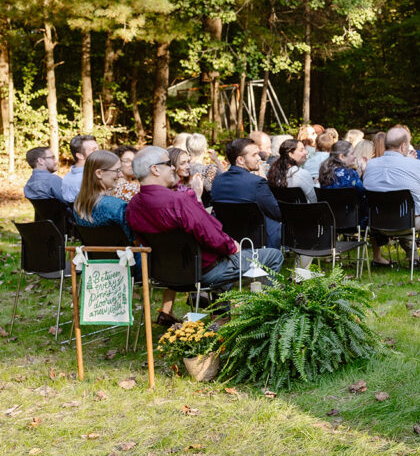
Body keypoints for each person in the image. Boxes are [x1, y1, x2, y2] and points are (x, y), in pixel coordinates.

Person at [127, 146, 284, 323]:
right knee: (273, 255)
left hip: (164, 273)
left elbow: (142, 240)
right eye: (168, 164)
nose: (172, 168)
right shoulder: (178, 201)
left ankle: (220, 319)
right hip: (202, 272)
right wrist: (232, 246)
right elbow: (212, 235)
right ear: (155, 169)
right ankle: (271, 318)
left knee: (223, 260)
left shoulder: (133, 206)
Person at [364, 126, 420, 268]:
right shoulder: (413, 164)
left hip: (379, 223)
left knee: (404, 210)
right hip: (409, 222)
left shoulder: (371, 165)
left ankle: (413, 257)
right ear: (403, 145)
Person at [210, 138, 283, 248]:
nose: (258, 158)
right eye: (254, 155)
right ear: (240, 160)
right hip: (256, 241)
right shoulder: (257, 183)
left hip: (228, 238)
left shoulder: (217, 181)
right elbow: (276, 213)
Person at [73, 150, 136, 267]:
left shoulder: (78, 202)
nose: (121, 175)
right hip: (125, 264)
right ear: (99, 173)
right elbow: (132, 238)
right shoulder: (117, 206)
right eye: (117, 170)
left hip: (95, 264)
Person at [267, 138, 316, 203]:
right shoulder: (301, 174)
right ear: (291, 154)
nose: (306, 152)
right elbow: (314, 200)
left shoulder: (274, 173)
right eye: (301, 150)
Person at [61, 134, 98, 202]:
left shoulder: (67, 177)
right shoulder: (91, 178)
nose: (99, 152)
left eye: (98, 148)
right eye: (94, 150)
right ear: (80, 156)